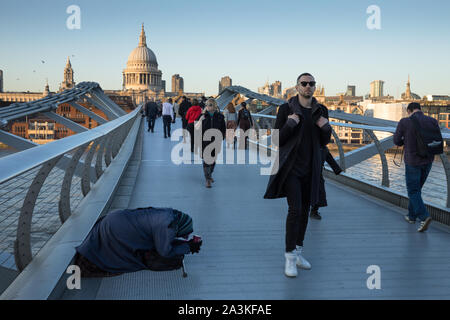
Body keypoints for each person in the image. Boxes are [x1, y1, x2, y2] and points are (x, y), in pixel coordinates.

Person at [263, 73, 332, 278]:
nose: (308, 87)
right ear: (297, 87)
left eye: (312, 84)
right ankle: (290, 258)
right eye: (304, 83)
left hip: (312, 168)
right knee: (295, 210)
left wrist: (325, 127)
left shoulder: (321, 110)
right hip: (291, 168)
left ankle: (298, 251)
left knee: (305, 211)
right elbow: (277, 140)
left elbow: (325, 140)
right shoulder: (286, 109)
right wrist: (290, 123)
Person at [74, 207, 202, 276]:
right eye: (184, 234)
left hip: (114, 218)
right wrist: (188, 247)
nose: (184, 237)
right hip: (117, 229)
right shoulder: (167, 226)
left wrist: (185, 244)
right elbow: (165, 251)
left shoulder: (170, 215)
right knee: (120, 257)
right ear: (180, 228)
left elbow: (162, 238)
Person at [393, 102, 442, 232]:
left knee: (413, 191)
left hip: (413, 160)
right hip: (428, 159)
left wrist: (405, 140)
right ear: (420, 109)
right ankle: (411, 216)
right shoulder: (432, 121)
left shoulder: (405, 122)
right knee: (417, 190)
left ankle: (424, 217)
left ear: (409, 111)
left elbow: (396, 140)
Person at [196, 98, 226, 188]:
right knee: (206, 160)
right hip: (204, 140)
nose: (208, 107)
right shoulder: (202, 116)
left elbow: (223, 129)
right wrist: (200, 120)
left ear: (214, 106)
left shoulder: (220, 116)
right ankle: (207, 179)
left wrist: (221, 138)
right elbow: (196, 128)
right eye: (207, 105)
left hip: (216, 140)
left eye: (210, 105)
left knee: (213, 160)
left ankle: (210, 174)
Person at [309, 146, 343, 220]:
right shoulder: (323, 148)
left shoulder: (322, 148)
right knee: (317, 192)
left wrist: (337, 170)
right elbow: (330, 159)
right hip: (310, 173)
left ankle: (313, 210)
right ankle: (313, 211)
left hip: (314, 173)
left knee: (319, 192)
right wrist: (337, 170)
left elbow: (329, 158)